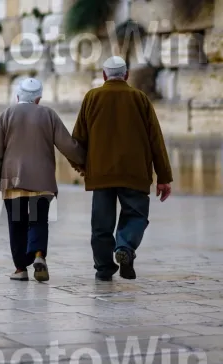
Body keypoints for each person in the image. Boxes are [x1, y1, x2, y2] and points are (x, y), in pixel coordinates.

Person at [71, 56, 173, 282]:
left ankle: (104, 268)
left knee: (101, 224)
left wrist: (81, 165)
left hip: (101, 173)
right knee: (137, 215)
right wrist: (163, 176)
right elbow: (156, 139)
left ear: (105, 75)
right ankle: (125, 247)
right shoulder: (140, 98)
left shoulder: (92, 97)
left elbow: (78, 137)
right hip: (135, 171)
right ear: (126, 75)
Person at [0, 78, 86, 282]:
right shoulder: (48, 114)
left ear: (17, 96)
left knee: (17, 224)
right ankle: (39, 255)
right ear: (38, 99)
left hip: (13, 182)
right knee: (39, 220)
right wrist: (85, 162)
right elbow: (67, 145)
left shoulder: (6, 115)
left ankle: (21, 269)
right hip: (42, 182)